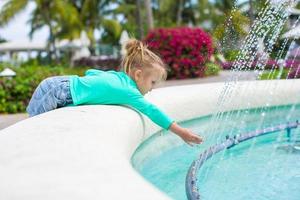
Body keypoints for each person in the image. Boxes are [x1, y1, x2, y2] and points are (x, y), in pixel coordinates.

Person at [26, 39, 203, 146]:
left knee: (35, 125)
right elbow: (152, 111)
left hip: (59, 85)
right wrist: (181, 132)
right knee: (33, 128)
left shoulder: (120, 78)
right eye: (152, 82)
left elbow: (91, 74)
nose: (152, 88)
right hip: (57, 91)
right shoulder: (129, 91)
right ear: (139, 75)